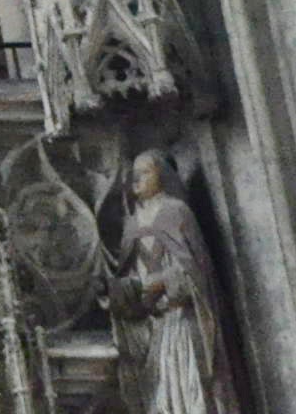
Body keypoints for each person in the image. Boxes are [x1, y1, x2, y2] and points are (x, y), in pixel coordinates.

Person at [113, 150, 237, 414]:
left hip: (184, 320)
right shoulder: (132, 224)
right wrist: (125, 290)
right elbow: (129, 271)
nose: (137, 178)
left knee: (192, 393)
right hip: (156, 328)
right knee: (163, 400)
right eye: (134, 172)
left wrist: (160, 283)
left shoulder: (175, 210)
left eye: (146, 171)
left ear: (163, 176)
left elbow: (196, 269)